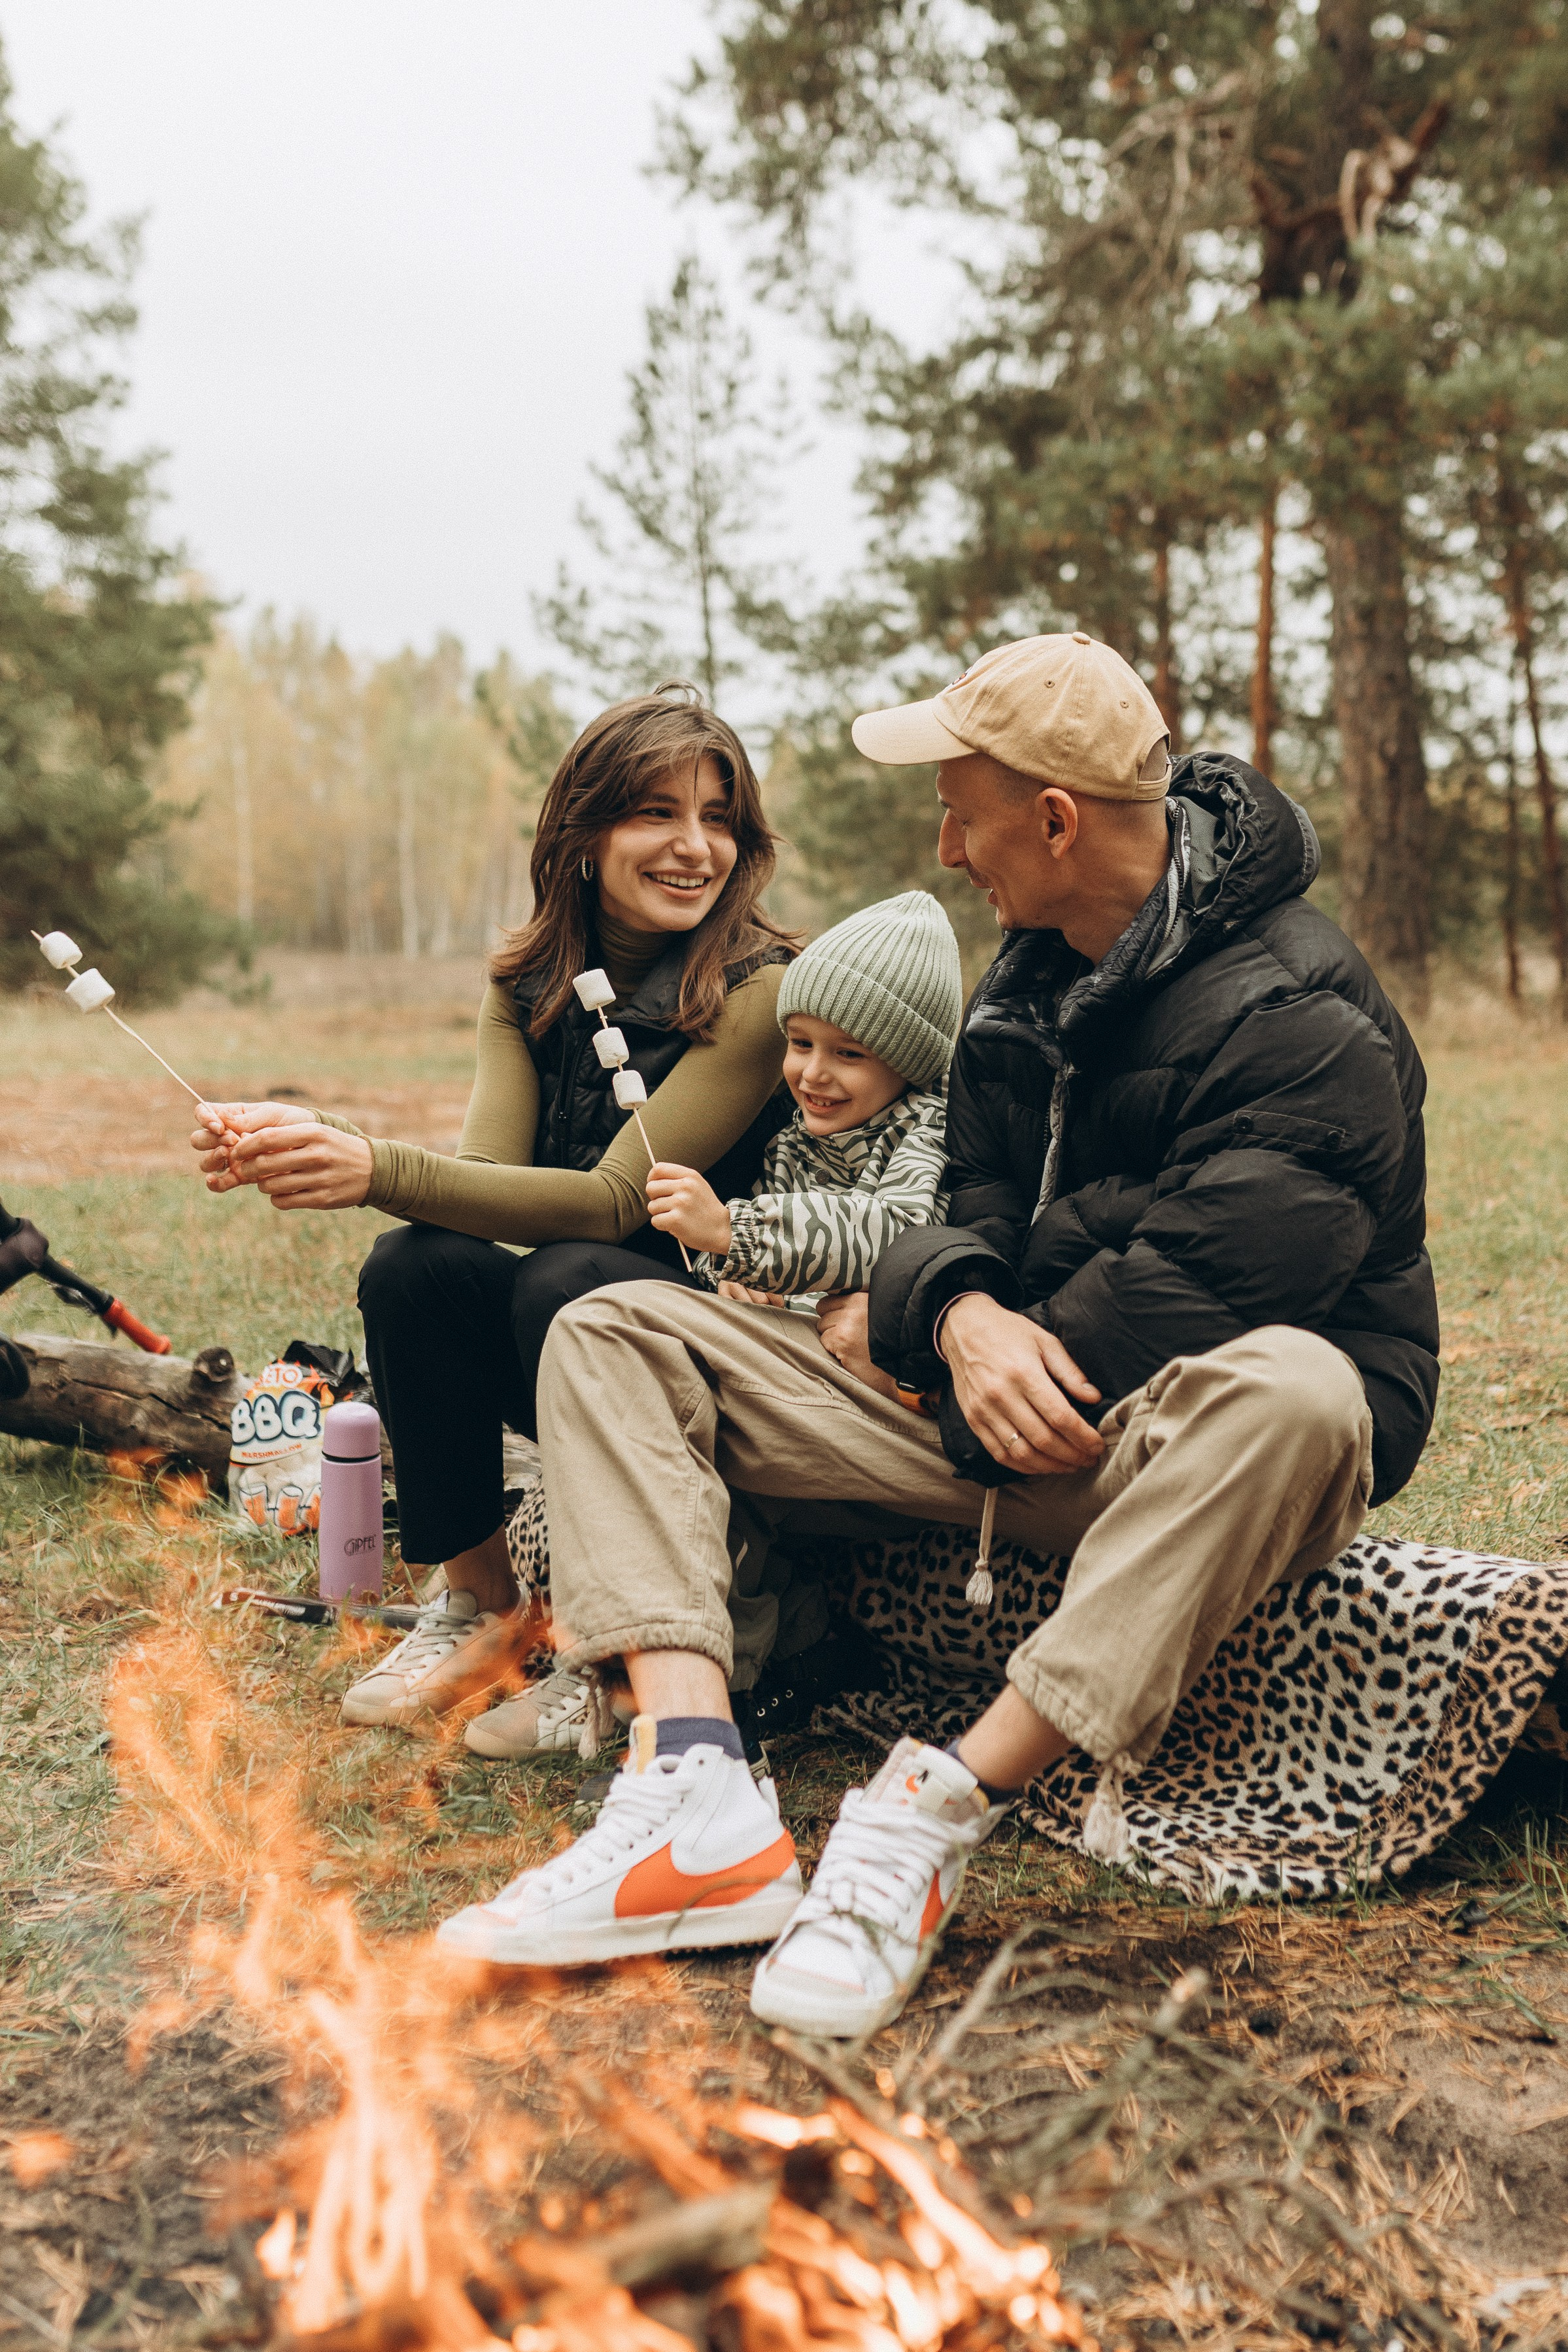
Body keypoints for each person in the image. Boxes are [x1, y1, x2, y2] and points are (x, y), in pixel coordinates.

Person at [441, 628, 1439, 2031]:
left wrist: (944, 1339)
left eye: (962, 813)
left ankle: (929, 1807)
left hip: (1169, 1441)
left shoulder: (1302, 1017)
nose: (948, 848)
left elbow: (1199, 1293)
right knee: (612, 1323)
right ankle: (692, 1787)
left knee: (1300, 1387)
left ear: (1052, 818)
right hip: (982, 1406)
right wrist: (952, 1310)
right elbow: (949, 1213)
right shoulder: (1022, 985)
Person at [188, 685, 798, 1731]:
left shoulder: (761, 986)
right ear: (584, 833)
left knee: (569, 1277)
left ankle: (605, 1647)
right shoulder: (527, 980)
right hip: (562, 1338)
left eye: (719, 818)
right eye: (657, 812)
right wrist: (312, 1132)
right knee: (416, 1262)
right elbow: (476, 1187)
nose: (695, 846)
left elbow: (614, 1205)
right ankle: (485, 1604)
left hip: (725, 1356)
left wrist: (371, 1161)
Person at [464, 889, 963, 1761]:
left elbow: (890, 1232)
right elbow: (769, 1259)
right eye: (800, 1044)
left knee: (737, 1492)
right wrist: (737, 1281)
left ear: (909, 1064)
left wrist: (739, 1233)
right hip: (790, 1367)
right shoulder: (796, 1138)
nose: (813, 1072)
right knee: (700, 1469)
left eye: (849, 1054)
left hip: (876, 1388)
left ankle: (731, 1685)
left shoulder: (926, 1131)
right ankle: (664, 1663)